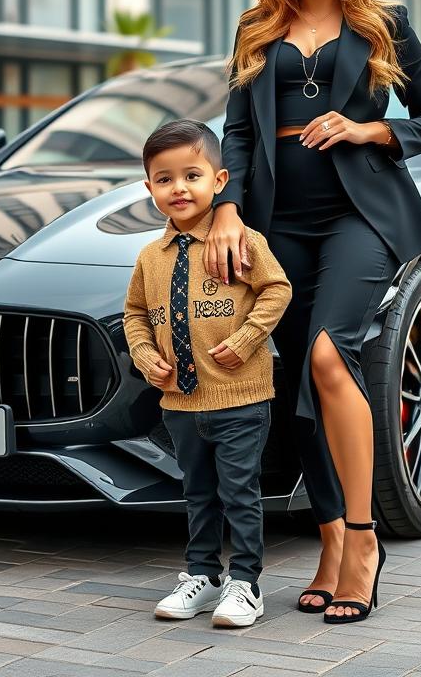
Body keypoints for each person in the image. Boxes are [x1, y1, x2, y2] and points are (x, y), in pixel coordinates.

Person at [203, 0, 421, 624]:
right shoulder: (257, 26)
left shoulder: (384, 25)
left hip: (361, 213)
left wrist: (369, 130)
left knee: (326, 357)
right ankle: (328, 544)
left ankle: (365, 541)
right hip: (279, 221)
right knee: (295, 388)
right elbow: (240, 134)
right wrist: (226, 209)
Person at [124, 119, 292, 628]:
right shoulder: (150, 257)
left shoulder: (241, 241)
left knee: (239, 492)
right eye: (165, 178)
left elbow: (277, 289)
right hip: (178, 403)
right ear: (149, 186)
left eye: (191, 175)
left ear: (219, 181)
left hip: (239, 398)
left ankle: (246, 583)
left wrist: (244, 342)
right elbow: (134, 312)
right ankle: (203, 576)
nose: (179, 188)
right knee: (197, 493)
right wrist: (143, 353)